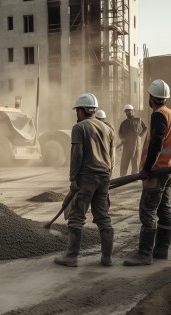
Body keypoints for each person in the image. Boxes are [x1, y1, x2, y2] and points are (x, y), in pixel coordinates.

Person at [54, 93, 115, 267]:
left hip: (87, 178)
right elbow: (112, 156)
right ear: (94, 110)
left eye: (77, 110)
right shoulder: (108, 128)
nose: (76, 114)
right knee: (103, 218)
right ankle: (107, 258)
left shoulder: (79, 127)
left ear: (81, 111)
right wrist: (108, 177)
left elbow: (77, 154)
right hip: (104, 177)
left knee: (76, 218)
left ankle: (71, 257)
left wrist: (73, 178)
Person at [124, 79, 171, 266]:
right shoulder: (169, 113)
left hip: (157, 171)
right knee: (164, 210)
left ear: (151, 97)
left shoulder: (158, 115)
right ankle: (161, 250)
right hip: (166, 170)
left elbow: (157, 142)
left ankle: (144, 254)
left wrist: (146, 169)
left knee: (147, 211)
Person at [118, 104, 147, 176]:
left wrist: (140, 135)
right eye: (127, 111)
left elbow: (145, 128)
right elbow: (120, 132)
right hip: (126, 145)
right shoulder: (123, 123)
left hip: (136, 145)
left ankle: (135, 176)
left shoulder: (138, 120)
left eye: (130, 111)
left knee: (135, 161)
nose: (128, 112)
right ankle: (122, 176)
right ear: (125, 112)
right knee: (124, 161)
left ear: (133, 111)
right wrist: (122, 138)